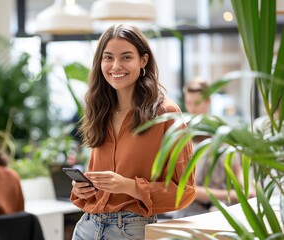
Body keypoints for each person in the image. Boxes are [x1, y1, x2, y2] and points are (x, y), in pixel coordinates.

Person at [70, 24, 196, 240]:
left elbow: (185, 191)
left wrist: (128, 186)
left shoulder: (165, 113)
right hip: (87, 227)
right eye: (108, 57)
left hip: (130, 230)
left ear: (143, 60)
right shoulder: (101, 109)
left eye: (126, 57)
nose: (116, 66)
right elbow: (96, 176)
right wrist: (82, 189)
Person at [173, 77, 255, 218]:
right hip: (189, 214)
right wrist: (234, 195)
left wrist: (250, 191)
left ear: (208, 101)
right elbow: (185, 189)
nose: (192, 109)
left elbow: (238, 172)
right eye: (189, 103)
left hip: (221, 213)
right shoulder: (181, 138)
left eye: (197, 103)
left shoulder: (222, 134)